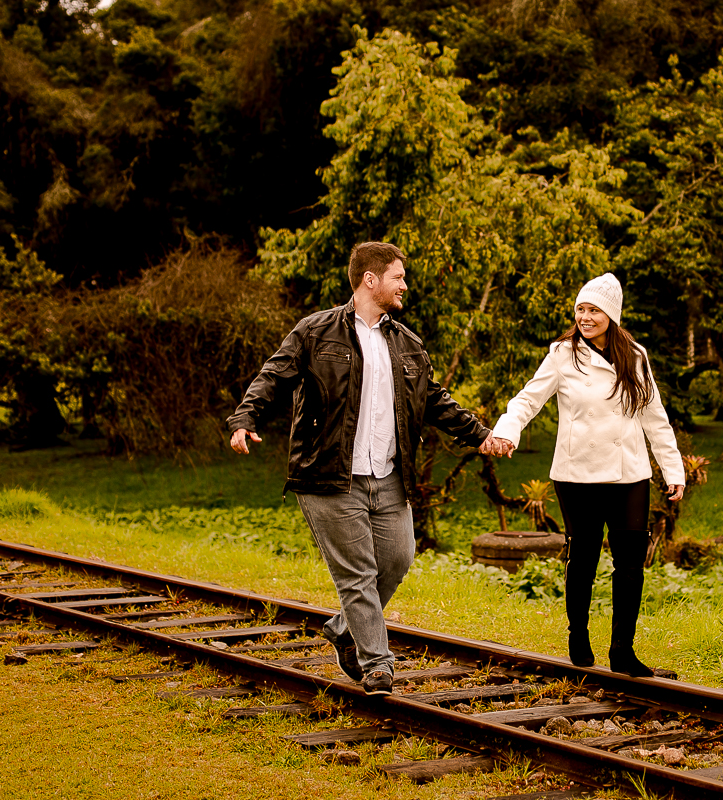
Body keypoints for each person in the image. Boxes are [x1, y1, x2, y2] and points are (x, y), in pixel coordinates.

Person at [227, 242, 509, 696]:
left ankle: (343, 629)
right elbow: (273, 376)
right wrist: (245, 418)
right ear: (370, 280)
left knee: (396, 561)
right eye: (398, 277)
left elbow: (434, 400)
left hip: (388, 477)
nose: (405, 285)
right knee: (356, 574)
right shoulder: (315, 332)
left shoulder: (407, 343)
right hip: (329, 476)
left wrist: (480, 434)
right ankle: (377, 664)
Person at [488, 273, 685, 678]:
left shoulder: (635, 355)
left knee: (631, 563)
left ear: (611, 314)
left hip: (628, 474)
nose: (585, 316)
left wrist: (673, 468)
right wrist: (507, 430)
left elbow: (655, 419)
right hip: (577, 475)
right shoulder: (563, 354)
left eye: (594, 309)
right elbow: (528, 399)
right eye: (581, 309)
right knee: (584, 558)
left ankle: (623, 652)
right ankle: (579, 636)